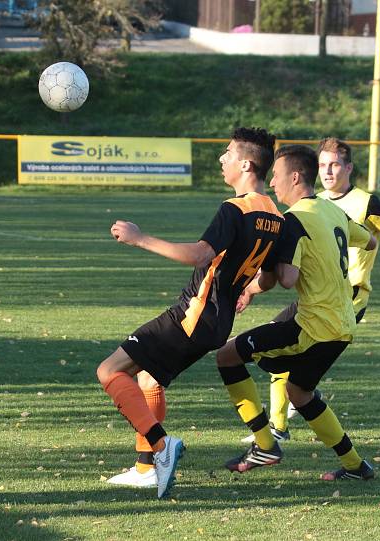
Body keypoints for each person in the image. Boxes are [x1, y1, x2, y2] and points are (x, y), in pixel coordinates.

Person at [96, 127, 284, 498]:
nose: (222, 159)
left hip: (193, 315)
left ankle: (162, 447)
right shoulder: (276, 215)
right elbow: (274, 277)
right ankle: (145, 468)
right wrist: (244, 290)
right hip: (217, 323)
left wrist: (140, 238)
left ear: (246, 163)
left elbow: (201, 254)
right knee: (149, 380)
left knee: (109, 370)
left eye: (227, 153)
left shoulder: (235, 208)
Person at [215, 144, 379, 481]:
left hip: (314, 326)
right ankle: (355, 466)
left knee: (228, 355)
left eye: (275, 176)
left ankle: (265, 445)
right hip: (344, 322)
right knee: (299, 392)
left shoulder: (293, 221)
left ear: (294, 176)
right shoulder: (332, 211)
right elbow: (371, 242)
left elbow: (287, 280)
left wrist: (270, 258)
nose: (272, 183)